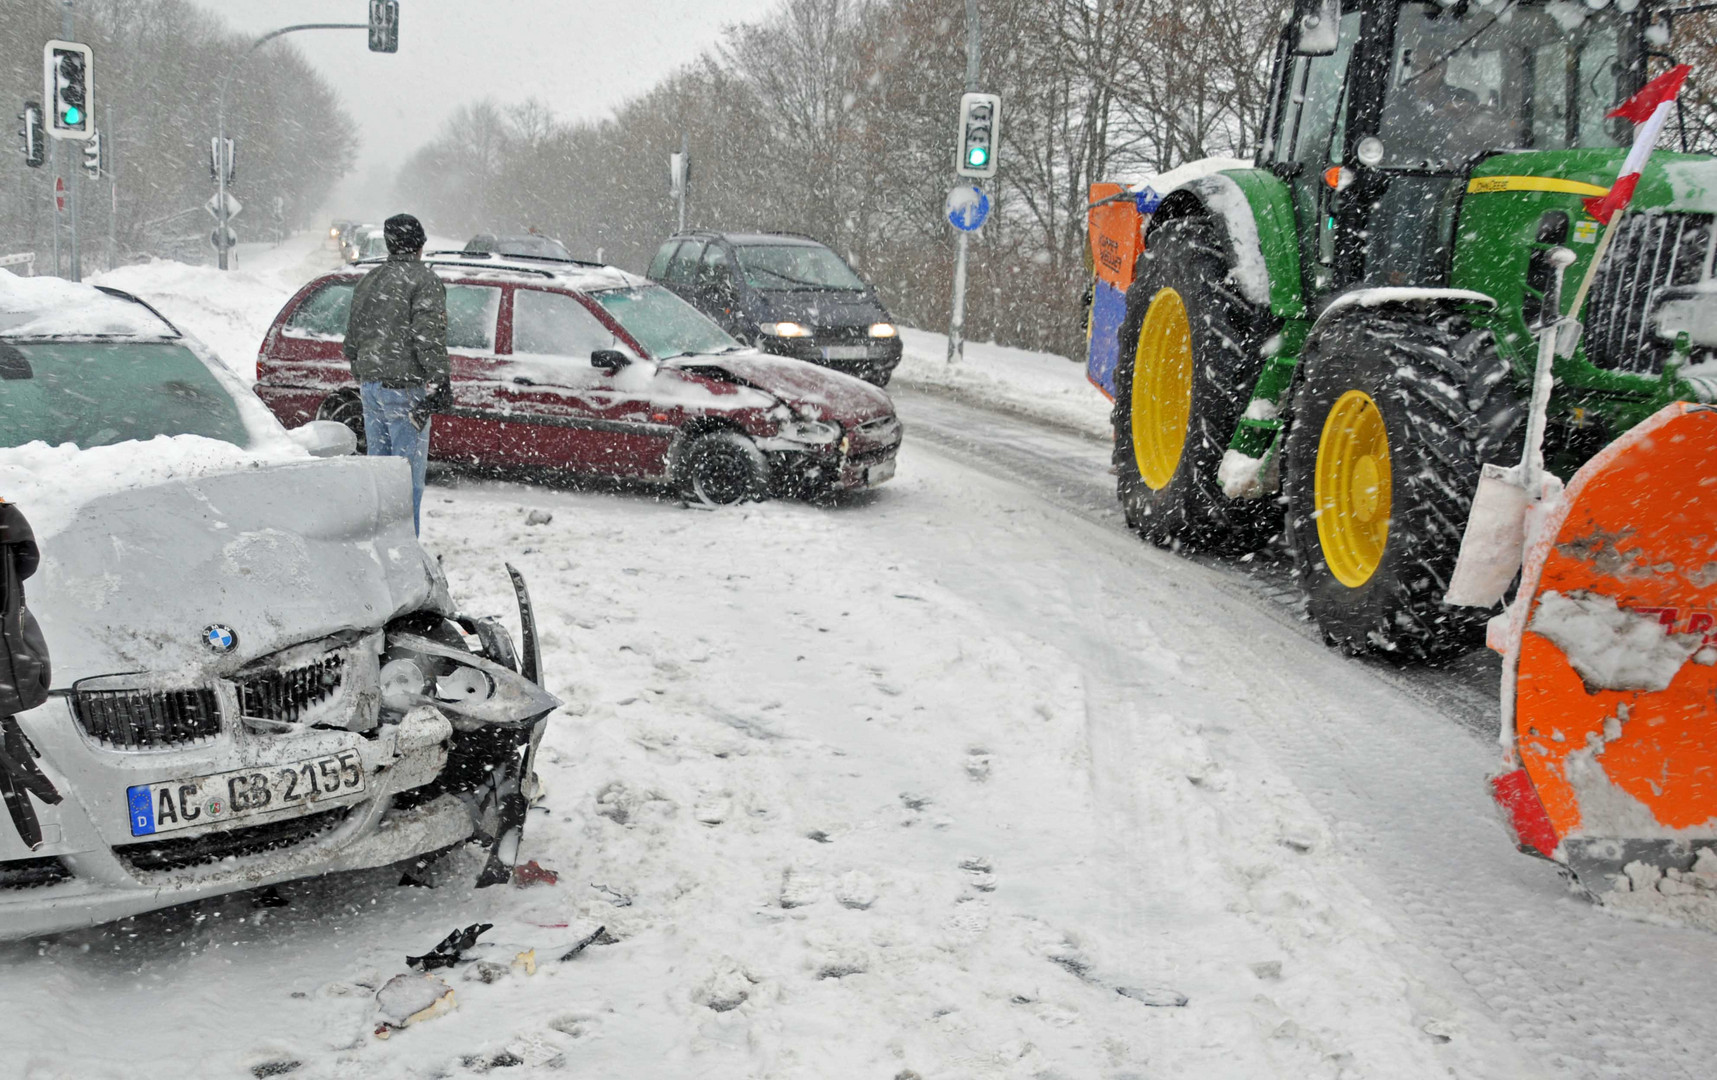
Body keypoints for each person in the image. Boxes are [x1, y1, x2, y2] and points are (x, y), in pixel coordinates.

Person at [343, 213, 450, 534]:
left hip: (371, 389)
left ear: (390, 244)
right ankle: (404, 555)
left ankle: (383, 547)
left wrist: (366, 371)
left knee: (382, 477)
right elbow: (427, 335)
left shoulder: (369, 280)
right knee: (406, 481)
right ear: (419, 245)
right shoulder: (424, 280)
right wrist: (440, 378)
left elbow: (352, 340)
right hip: (405, 392)